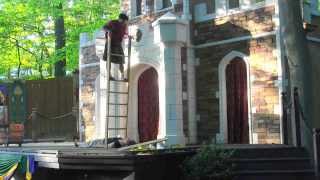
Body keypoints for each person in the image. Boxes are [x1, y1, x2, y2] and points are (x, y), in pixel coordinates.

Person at [103, 13, 129, 80]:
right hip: (110, 42)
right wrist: (109, 31)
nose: (124, 23)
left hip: (118, 44)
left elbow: (125, 33)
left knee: (121, 60)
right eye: (123, 22)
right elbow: (104, 27)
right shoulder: (112, 22)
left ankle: (123, 76)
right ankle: (109, 75)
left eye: (125, 22)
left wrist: (129, 36)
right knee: (108, 59)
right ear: (120, 19)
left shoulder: (124, 26)